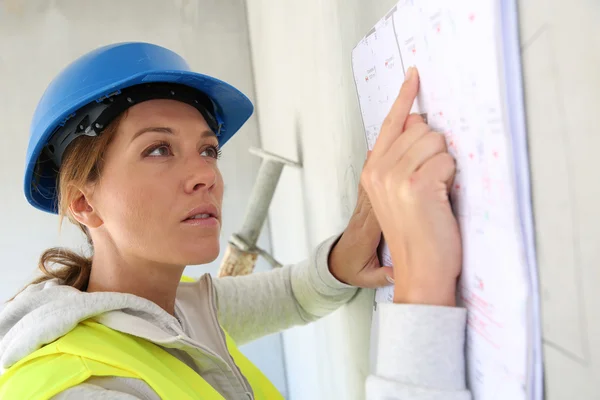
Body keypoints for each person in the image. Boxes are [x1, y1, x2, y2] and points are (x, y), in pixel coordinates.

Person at [0, 42, 470, 399]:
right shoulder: (82, 388)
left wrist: (340, 261)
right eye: (158, 149)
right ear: (83, 202)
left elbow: (292, 295)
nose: (205, 175)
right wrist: (423, 282)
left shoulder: (174, 310)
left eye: (208, 150)